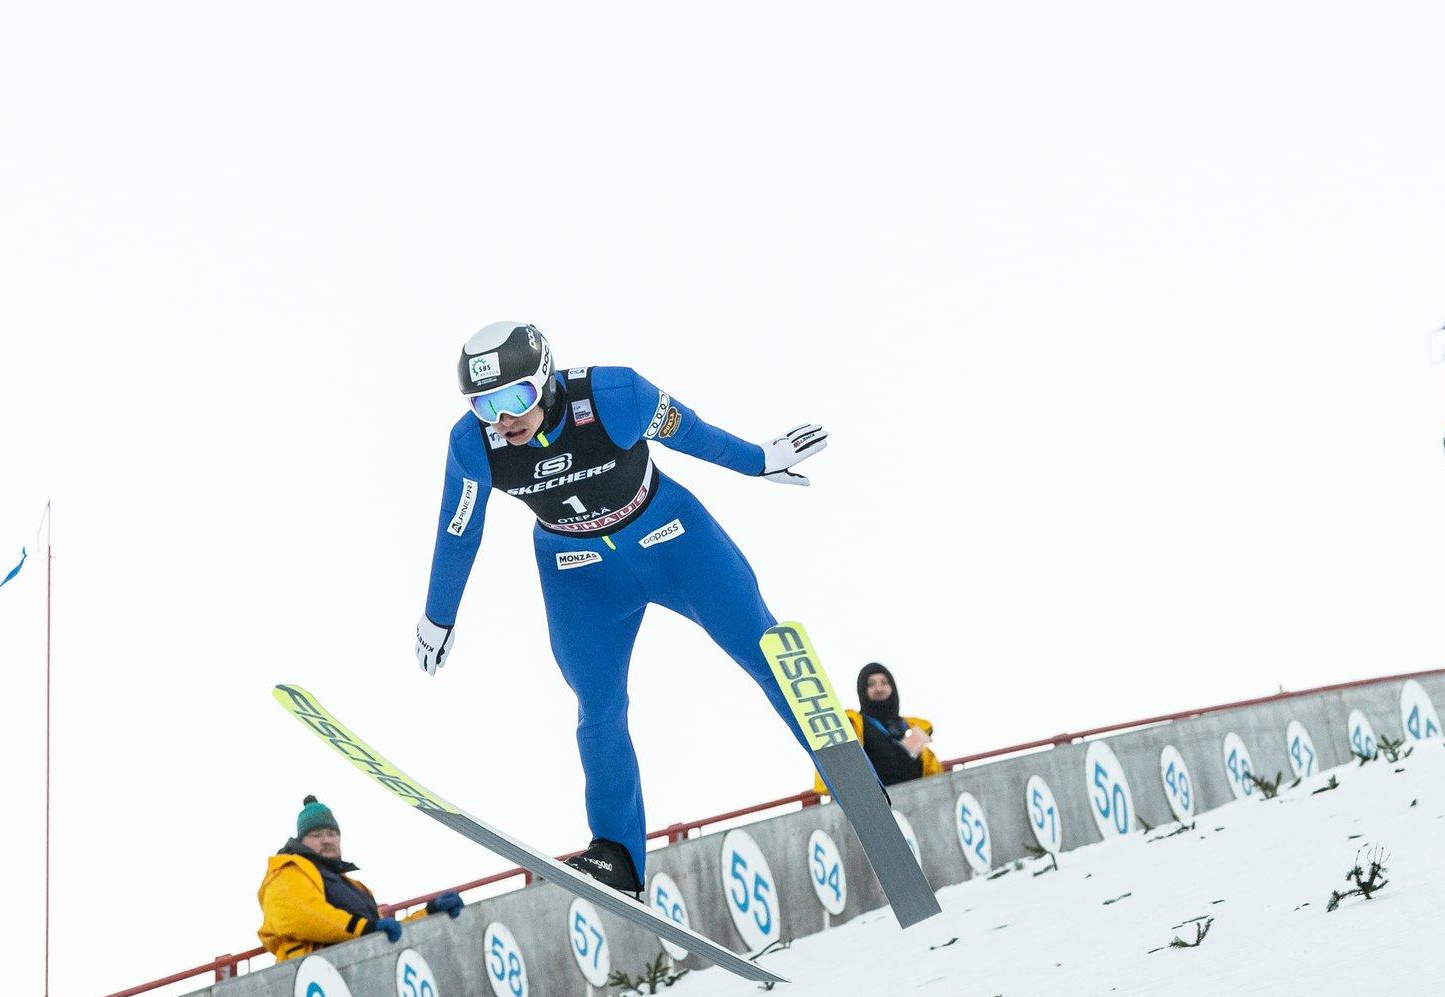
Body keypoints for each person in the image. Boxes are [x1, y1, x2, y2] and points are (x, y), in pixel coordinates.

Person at [417, 322, 829, 899]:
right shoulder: (473, 444)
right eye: (485, 404)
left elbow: (693, 434)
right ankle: (617, 855)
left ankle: (844, 762)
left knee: (763, 645)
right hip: (578, 572)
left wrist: (758, 460)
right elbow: (459, 527)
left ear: (545, 380)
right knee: (598, 704)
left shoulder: (613, 397)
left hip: (674, 539)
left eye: (515, 398)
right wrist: (439, 614)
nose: (502, 419)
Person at [257, 796, 464, 961]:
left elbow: (381, 929)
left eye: (331, 833)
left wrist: (429, 913)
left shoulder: (355, 886)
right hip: (316, 976)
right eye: (316, 835)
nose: (327, 841)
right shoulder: (287, 869)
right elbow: (303, 915)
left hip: (362, 968)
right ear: (301, 841)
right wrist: (363, 929)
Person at [813, 662, 943, 792]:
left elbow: (934, 773)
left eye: (884, 682)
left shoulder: (913, 727)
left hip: (917, 800)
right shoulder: (853, 724)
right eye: (871, 684)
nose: (879, 688)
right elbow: (834, 760)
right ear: (862, 690)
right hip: (875, 806)